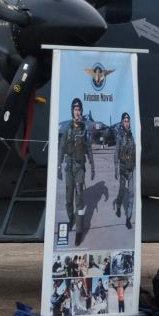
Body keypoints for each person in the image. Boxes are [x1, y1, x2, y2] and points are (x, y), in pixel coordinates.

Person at [58, 97, 96, 243]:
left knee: (79, 199)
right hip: (69, 168)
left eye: (79, 109)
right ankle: (71, 219)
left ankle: (79, 231)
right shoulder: (67, 129)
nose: (77, 112)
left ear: (81, 111)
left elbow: (89, 150)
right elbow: (61, 148)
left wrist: (92, 166)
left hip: (80, 168)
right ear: (72, 111)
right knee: (68, 200)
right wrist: (59, 167)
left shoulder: (85, 129)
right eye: (75, 109)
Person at [112, 112, 137, 230]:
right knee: (122, 191)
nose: (127, 123)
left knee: (131, 193)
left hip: (131, 169)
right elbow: (116, 153)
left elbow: (135, 152)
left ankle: (128, 219)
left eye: (128, 121)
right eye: (125, 121)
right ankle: (118, 206)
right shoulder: (119, 137)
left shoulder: (132, 137)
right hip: (122, 169)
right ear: (122, 123)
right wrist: (116, 169)